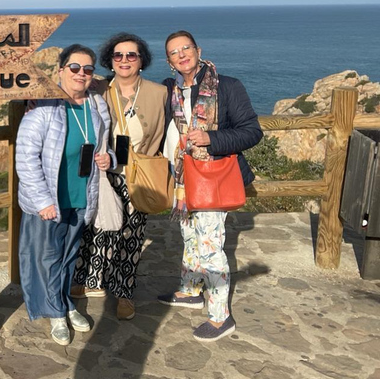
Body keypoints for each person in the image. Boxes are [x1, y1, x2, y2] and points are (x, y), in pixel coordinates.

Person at [157, 30, 262, 342]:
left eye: (186, 47)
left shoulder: (227, 86)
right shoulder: (169, 90)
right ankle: (191, 291)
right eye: (175, 52)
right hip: (183, 179)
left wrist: (211, 138)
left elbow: (252, 132)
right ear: (169, 62)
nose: (182, 54)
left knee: (209, 248)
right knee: (189, 236)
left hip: (214, 177)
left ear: (198, 50)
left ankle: (220, 317)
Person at [16, 44, 114, 346]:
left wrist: (108, 157)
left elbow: (103, 144)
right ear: (61, 71)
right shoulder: (44, 106)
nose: (81, 74)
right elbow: (26, 156)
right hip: (50, 201)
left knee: (69, 255)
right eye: (74, 68)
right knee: (47, 258)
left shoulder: (96, 105)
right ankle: (56, 311)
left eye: (87, 69)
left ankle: (65, 302)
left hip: (81, 196)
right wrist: (42, 200)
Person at [72, 33, 167, 320]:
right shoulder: (98, 87)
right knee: (96, 228)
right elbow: (66, 90)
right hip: (104, 170)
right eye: (118, 55)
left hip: (140, 175)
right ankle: (89, 281)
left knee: (132, 235)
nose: (124, 60)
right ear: (110, 60)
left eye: (131, 55)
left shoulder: (158, 93)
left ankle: (124, 291)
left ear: (141, 61)